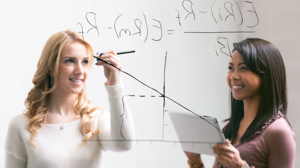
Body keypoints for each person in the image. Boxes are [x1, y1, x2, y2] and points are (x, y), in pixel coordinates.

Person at [5, 30, 134, 168]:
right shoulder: (20, 125)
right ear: (50, 68)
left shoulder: (95, 119)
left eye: (85, 62)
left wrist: (114, 83)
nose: (80, 71)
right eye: (70, 61)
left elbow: (124, 144)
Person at [185, 38, 296, 168]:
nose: (234, 76)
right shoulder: (229, 127)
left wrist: (239, 166)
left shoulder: (279, 132)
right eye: (231, 67)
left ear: (266, 74)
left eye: (243, 68)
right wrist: (195, 161)